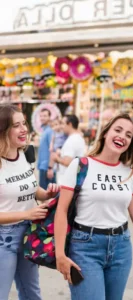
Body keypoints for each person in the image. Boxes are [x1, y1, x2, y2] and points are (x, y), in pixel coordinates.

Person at [54, 113, 133, 300]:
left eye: (128, 135)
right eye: (117, 130)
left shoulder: (129, 173)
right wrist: (59, 254)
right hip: (85, 248)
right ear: (105, 133)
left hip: (121, 248)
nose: (122, 136)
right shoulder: (80, 166)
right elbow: (61, 210)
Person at [0, 104, 59, 300]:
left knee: (32, 293)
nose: (24, 129)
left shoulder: (25, 155)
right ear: (3, 130)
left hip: (29, 233)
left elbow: (33, 191)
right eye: (16, 125)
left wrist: (48, 194)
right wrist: (27, 214)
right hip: (4, 239)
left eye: (24, 123)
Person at [49, 114, 85, 185]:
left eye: (63, 123)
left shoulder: (72, 140)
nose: (61, 126)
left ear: (70, 124)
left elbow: (68, 162)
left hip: (66, 184)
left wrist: (56, 158)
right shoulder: (77, 138)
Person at [37, 108, 56, 189]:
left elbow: (53, 150)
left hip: (46, 167)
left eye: (45, 116)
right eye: (41, 116)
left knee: (46, 194)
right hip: (42, 166)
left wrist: (50, 168)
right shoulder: (44, 130)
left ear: (49, 117)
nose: (42, 118)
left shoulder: (50, 131)